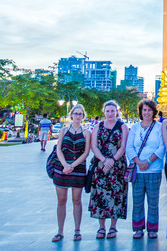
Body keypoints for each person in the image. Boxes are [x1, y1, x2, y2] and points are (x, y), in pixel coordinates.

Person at [51, 103, 92, 242]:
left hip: (78, 168)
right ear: (71, 115)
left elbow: (86, 152)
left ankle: (77, 230)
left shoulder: (86, 132)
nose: (78, 116)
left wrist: (72, 166)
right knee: (61, 200)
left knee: (77, 200)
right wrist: (65, 165)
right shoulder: (63, 130)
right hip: (62, 167)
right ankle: (60, 231)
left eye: (80, 114)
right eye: (76, 113)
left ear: (83, 116)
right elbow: (58, 149)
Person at [126, 99, 165, 239]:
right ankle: (138, 228)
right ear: (141, 112)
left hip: (153, 169)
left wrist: (148, 161)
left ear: (153, 111)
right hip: (138, 169)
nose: (147, 112)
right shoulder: (135, 128)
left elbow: (162, 147)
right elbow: (129, 147)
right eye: (144, 110)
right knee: (137, 200)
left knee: (153, 201)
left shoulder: (159, 127)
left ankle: (152, 228)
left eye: (149, 110)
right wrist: (138, 161)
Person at [89, 100, 129, 239]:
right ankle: (101, 227)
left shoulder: (122, 127)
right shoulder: (98, 127)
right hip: (101, 166)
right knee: (100, 195)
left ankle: (113, 226)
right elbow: (94, 146)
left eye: (113, 111)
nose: (110, 113)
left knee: (116, 196)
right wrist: (104, 160)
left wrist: (112, 160)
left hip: (117, 166)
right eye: (108, 111)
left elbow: (123, 146)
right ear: (104, 112)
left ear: (117, 112)